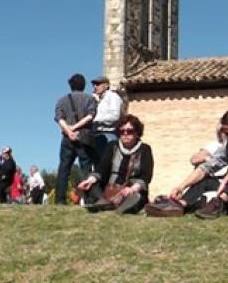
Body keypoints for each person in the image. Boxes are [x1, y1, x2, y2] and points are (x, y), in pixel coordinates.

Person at [145, 109, 228, 218]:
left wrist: (225, 181)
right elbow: (206, 168)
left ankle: (219, 203)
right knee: (206, 179)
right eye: (224, 132)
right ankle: (179, 205)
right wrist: (181, 187)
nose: (226, 136)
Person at [78, 114, 154, 214]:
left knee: (136, 197)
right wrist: (90, 180)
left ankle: (109, 205)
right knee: (87, 179)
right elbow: (102, 169)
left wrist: (132, 189)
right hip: (109, 189)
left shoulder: (145, 149)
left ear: (137, 133)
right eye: (122, 131)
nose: (125, 134)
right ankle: (105, 203)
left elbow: (146, 176)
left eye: (130, 131)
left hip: (131, 191)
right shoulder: (112, 146)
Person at [54, 73, 97, 204]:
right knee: (86, 168)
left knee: (64, 169)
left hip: (67, 138)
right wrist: (75, 128)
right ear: (84, 85)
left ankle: (60, 200)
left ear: (70, 85)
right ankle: (89, 199)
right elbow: (90, 116)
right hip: (84, 136)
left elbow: (59, 119)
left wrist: (68, 130)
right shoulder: (90, 99)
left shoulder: (62, 100)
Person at [91, 76, 123, 167]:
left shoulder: (113, 97)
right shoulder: (97, 100)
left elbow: (114, 116)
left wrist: (96, 119)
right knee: (98, 165)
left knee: (108, 163)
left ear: (106, 85)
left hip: (109, 134)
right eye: (94, 85)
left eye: (98, 84)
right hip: (96, 135)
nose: (95, 87)